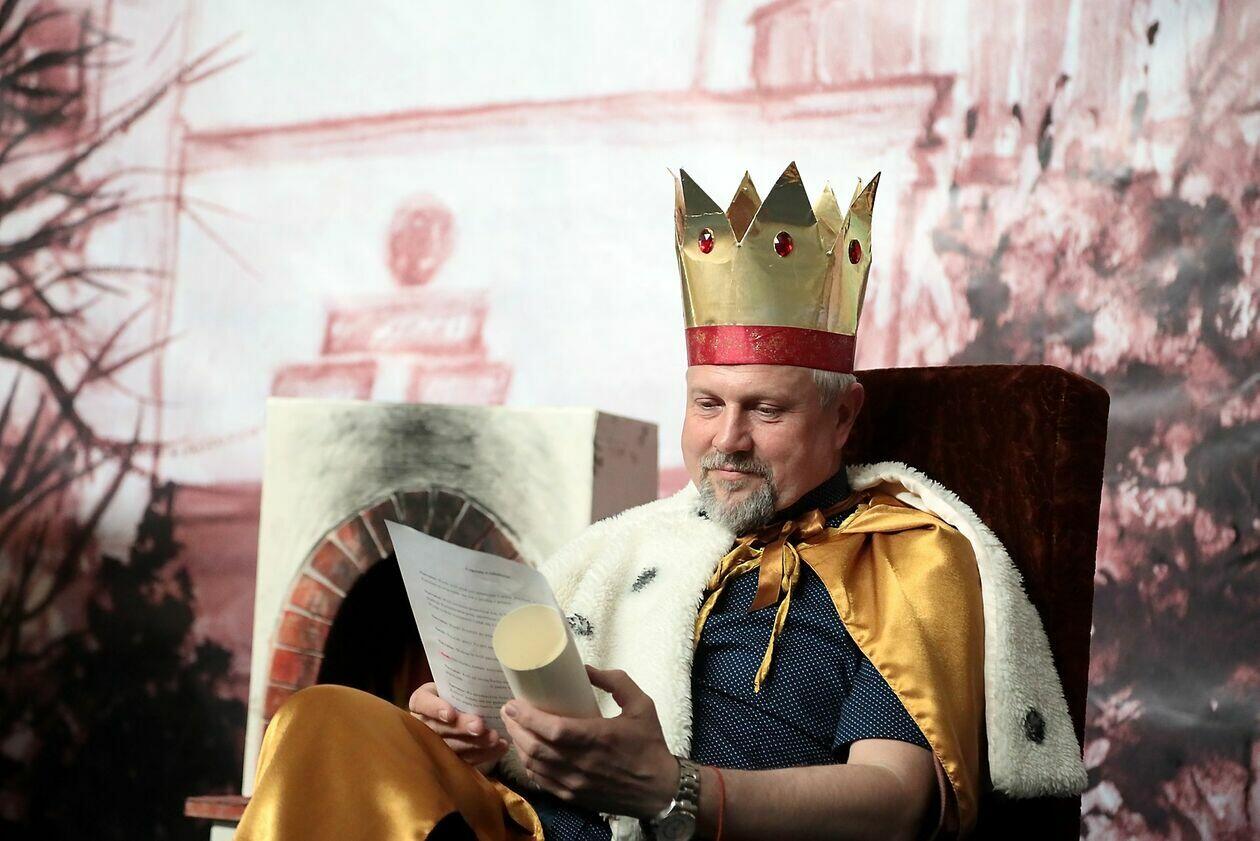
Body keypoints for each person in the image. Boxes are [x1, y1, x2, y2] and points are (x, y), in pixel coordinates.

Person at [236, 164, 1086, 841]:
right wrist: (474, 732)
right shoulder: (637, 544)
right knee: (322, 722)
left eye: (766, 409)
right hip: (529, 825)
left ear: (841, 416)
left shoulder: (904, 551)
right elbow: (537, 726)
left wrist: (672, 789)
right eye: (708, 403)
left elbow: (898, 800)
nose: (728, 440)